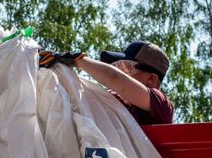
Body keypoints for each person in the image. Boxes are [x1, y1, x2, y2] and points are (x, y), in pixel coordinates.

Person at [39, 41, 174, 125]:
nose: (121, 72)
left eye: (127, 68)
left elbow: (114, 77)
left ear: (151, 80)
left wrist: (74, 59)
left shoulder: (161, 104)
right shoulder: (114, 100)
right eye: (117, 66)